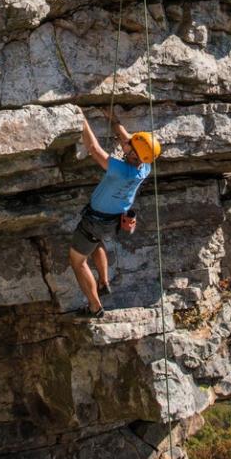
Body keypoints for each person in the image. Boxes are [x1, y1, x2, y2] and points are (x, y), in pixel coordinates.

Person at [67, 106, 162, 319]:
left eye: (130, 146)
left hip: (95, 221)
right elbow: (128, 141)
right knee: (96, 243)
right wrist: (113, 119)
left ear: (133, 154)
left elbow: (93, 148)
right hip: (112, 221)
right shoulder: (145, 167)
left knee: (77, 261)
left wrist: (81, 118)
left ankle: (95, 307)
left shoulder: (120, 170)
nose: (126, 143)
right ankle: (103, 282)